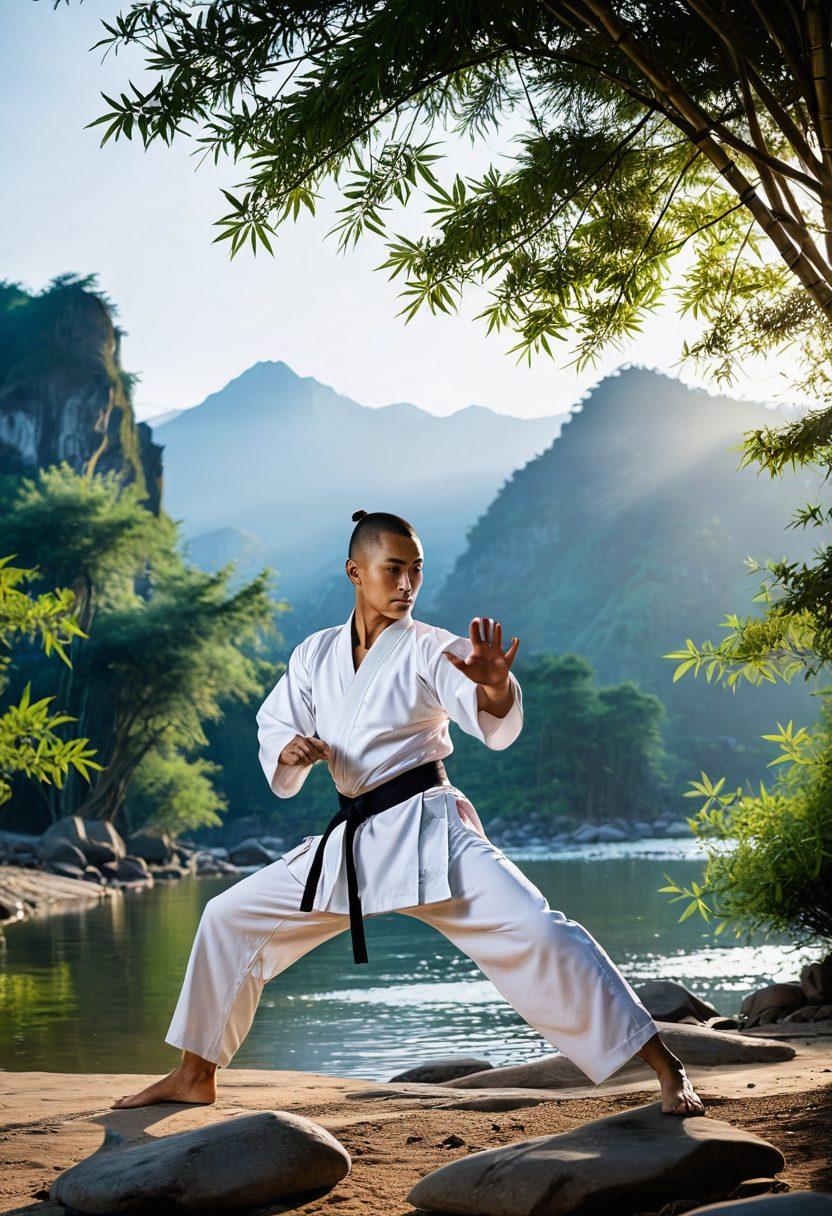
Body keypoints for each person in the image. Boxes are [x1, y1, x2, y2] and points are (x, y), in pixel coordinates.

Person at [113, 509, 705, 1115]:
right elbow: (277, 726)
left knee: (538, 930)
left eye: (416, 571)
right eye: (393, 569)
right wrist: (292, 749)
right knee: (227, 915)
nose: (406, 585)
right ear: (355, 571)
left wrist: (495, 686)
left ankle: (666, 1063)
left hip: (429, 831)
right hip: (353, 840)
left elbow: (484, 709)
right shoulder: (315, 654)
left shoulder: (431, 648)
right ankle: (195, 1072)